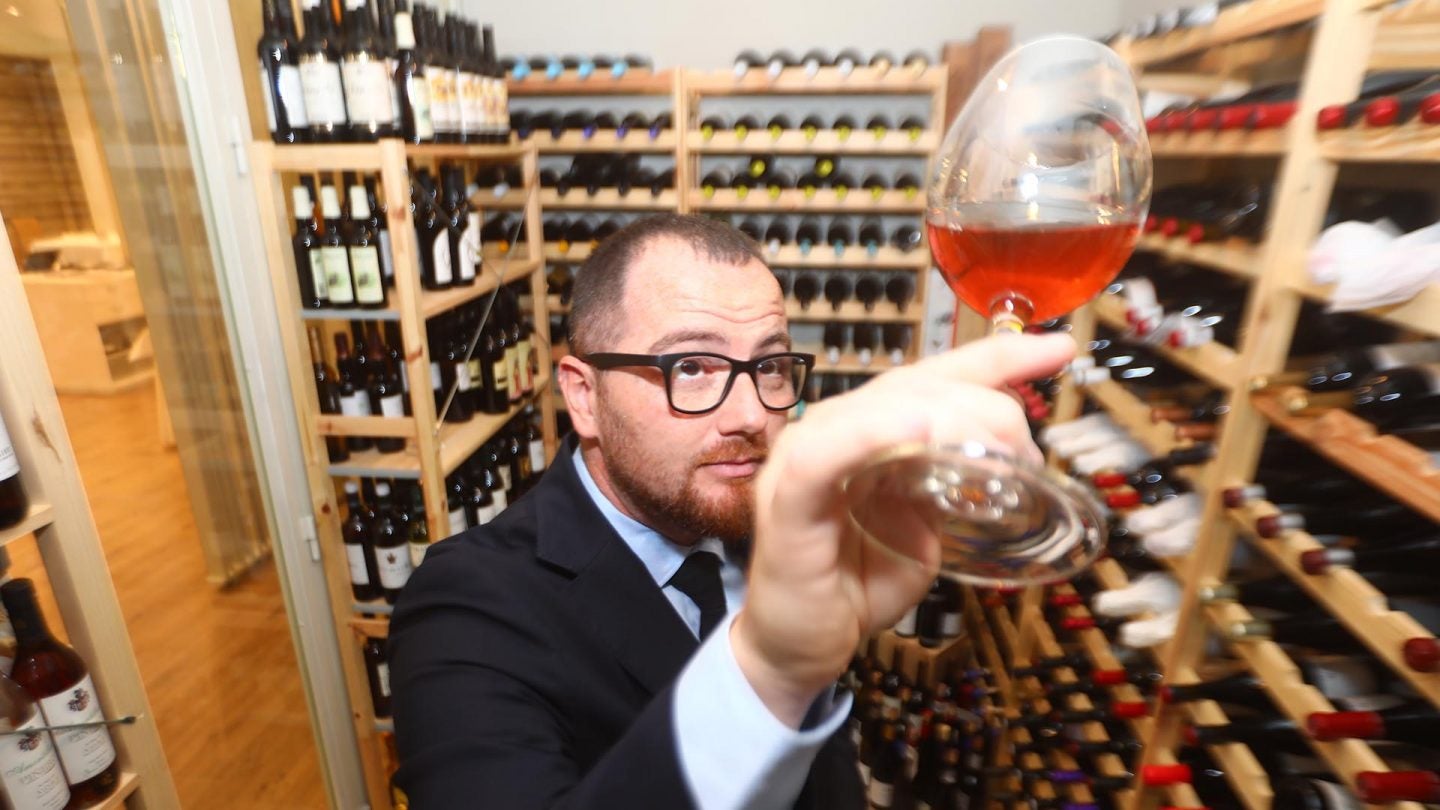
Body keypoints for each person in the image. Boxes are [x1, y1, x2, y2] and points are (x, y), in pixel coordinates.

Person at [388, 214, 1074, 808]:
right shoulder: (465, 608)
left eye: (770, 367)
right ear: (584, 397)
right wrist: (770, 671)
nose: (750, 415)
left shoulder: (763, 520)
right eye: (691, 367)